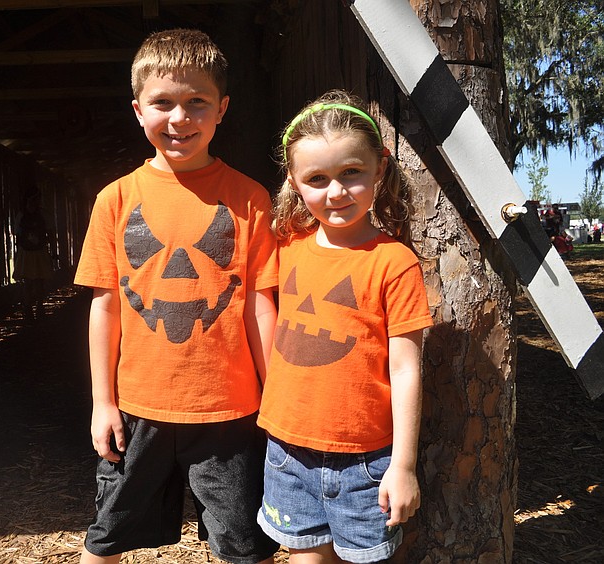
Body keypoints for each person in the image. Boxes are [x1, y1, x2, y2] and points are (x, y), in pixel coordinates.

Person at [73, 29, 280, 564]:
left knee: (244, 546)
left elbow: (259, 305)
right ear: (138, 110)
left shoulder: (249, 200)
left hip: (231, 410)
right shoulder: (116, 200)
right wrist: (102, 402)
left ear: (222, 109)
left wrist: (278, 396)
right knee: (107, 535)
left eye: (197, 102)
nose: (180, 118)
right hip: (140, 407)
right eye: (163, 103)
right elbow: (107, 305)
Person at [257, 91, 433, 563]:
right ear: (294, 182)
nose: (335, 192)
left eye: (350, 172)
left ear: (380, 166)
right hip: (287, 451)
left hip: (367, 462)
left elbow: (406, 369)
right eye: (317, 178)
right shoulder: (285, 247)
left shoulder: (393, 262)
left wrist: (404, 465)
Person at [13, 192, 53, 320]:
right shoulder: (41, 215)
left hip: (30, 252)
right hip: (32, 252)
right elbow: (50, 232)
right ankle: (32, 309)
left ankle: (34, 308)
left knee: (34, 282)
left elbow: (16, 234)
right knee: (32, 282)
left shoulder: (23, 215)